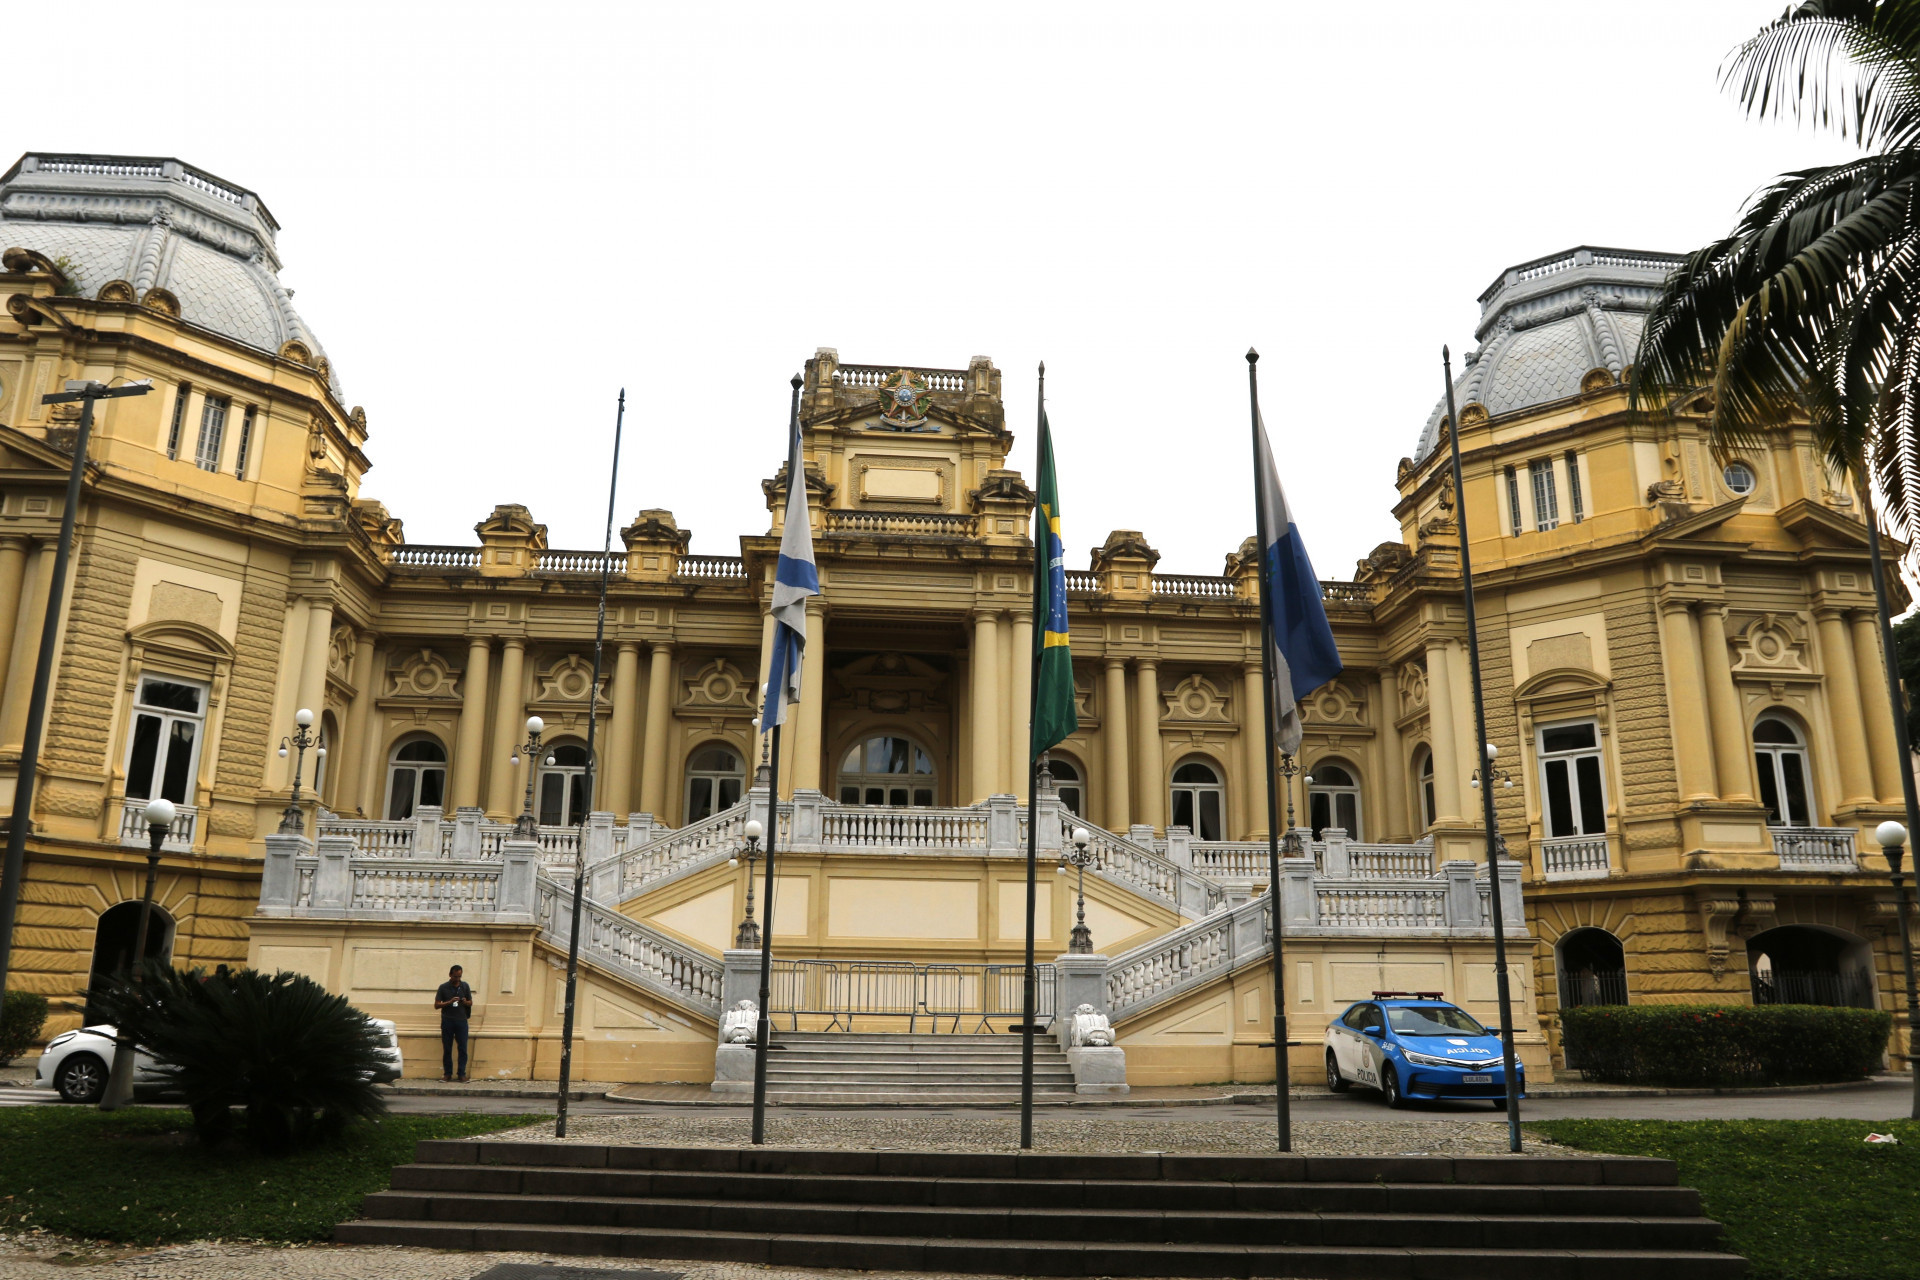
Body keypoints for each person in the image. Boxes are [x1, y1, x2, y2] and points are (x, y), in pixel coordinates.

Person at [434, 964, 474, 1082]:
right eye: (455, 976)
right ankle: (447, 1073)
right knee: (447, 1048)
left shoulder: (465, 986)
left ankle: (461, 1074)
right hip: (448, 1020)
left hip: (461, 1020)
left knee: (463, 1048)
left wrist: (465, 1002)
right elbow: (436, 1005)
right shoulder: (443, 987)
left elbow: (471, 1002)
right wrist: (449, 1002)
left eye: (459, 976)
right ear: (450, 975)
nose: (457, 979)